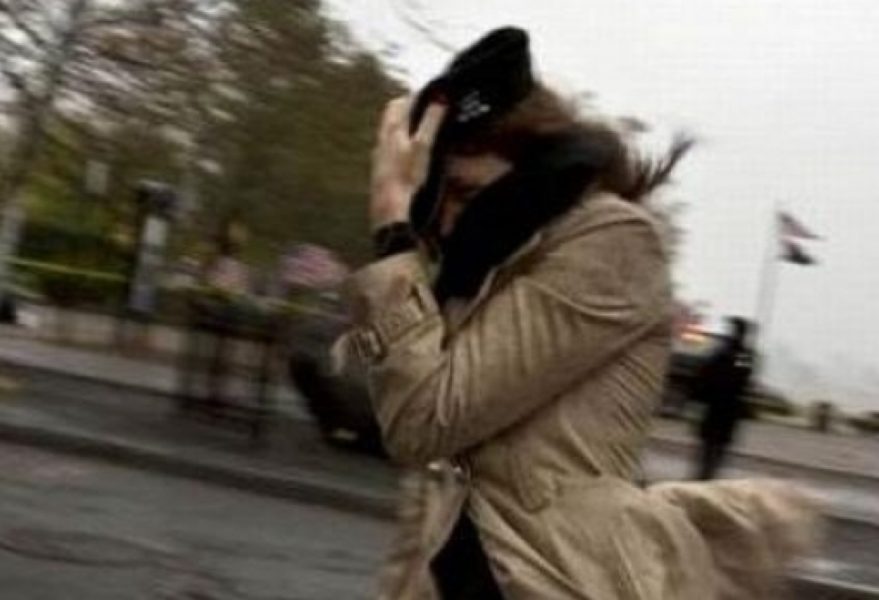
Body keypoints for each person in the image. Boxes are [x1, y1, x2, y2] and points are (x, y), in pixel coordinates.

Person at [333, 27, 817, 600]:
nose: (448, 221)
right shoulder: (480, 268)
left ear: (530, 159)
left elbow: (424, 422)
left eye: (463, 191)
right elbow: (420, 466)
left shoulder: (614, 242)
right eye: (437, 200)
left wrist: (393, 231)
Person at [694, 316, 755, 480]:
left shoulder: (723, 353)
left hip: (716, 410)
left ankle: (702, 481)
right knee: (714, 455)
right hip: (726, 411)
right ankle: (705, 481)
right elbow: (742, 379)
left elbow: (706, 374)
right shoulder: (741, 355)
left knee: (708, 455)